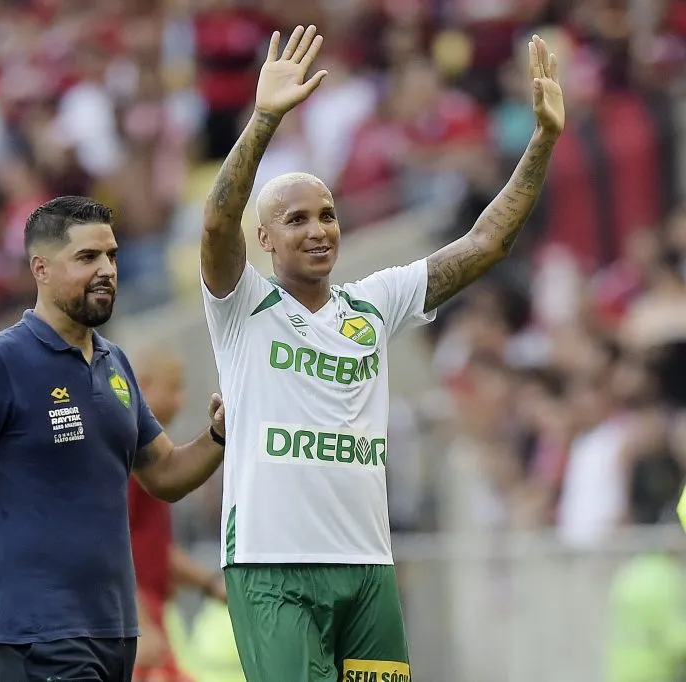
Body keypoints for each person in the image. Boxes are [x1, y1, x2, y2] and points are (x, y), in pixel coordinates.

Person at [199, 25, 564, 681]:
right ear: (266, 239)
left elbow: (484, 244)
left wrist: (541, 141)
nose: (318, 230)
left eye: (328, 214)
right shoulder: (241, 307)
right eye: (298, 219)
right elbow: (216, 222)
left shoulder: (373, 303)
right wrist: (263, 121)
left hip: (368, 567)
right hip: (272, 565)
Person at [0, 196, 228, 682]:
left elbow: (166, 473)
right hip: (37, 630)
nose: (106, 270)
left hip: (114, 629)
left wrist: (219, 434)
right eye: (87, 258)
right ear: (41, 268)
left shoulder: (115, 364)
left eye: (112, 256)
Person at [127, 345, 227, 682]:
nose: (182, 400)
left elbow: (157, 551)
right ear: (141, 385)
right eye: (174, 387)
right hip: (132, 616)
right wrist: (138, 621)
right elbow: (109, 545)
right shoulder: (130, 456)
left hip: (149, 612)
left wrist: (212, 585)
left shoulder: (150, 453)